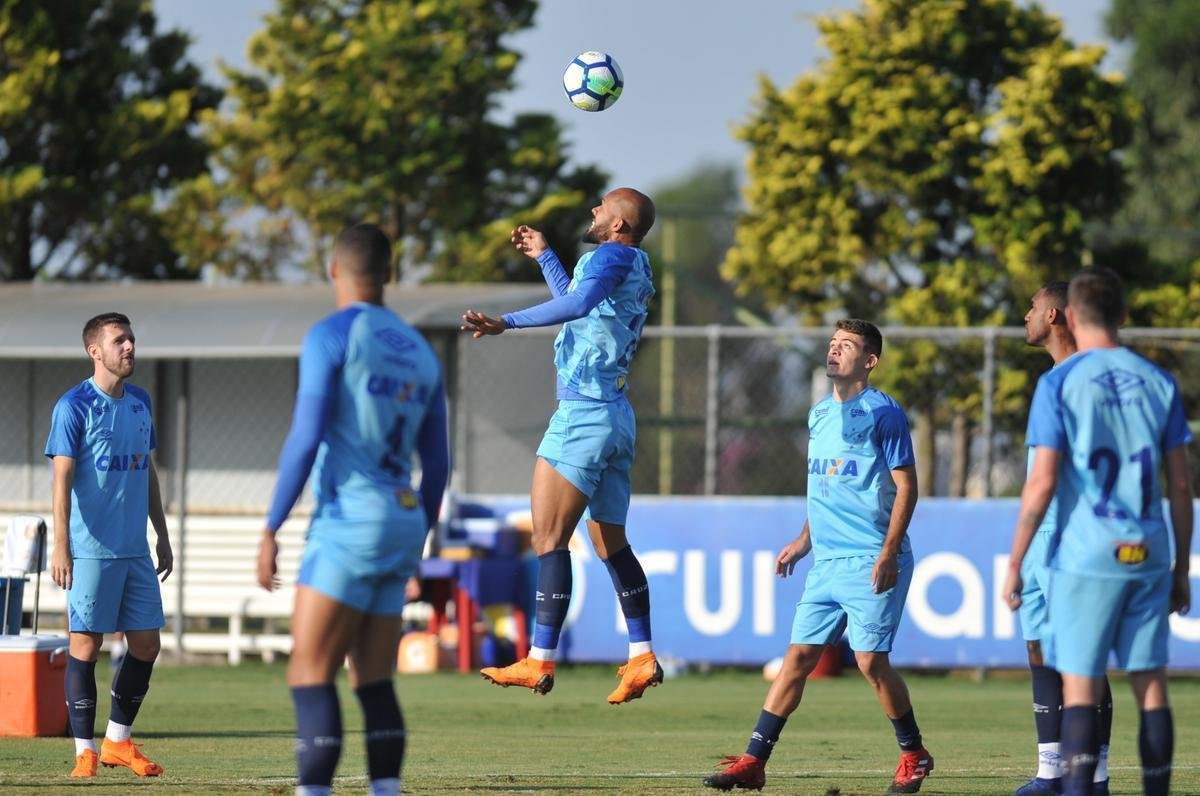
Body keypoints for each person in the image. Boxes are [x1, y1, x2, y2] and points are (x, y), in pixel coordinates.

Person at [257, 223, 450, 796]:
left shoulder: (331, 335)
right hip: (403, 518)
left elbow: (306, 434)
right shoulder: (422, 351)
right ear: (390, 275)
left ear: (333, 270)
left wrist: (271, 526)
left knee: (310, 672)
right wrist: (415, 544)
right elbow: (437, 468)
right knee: (374, 679)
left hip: (350, 518)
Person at [703, 320, 934, 795]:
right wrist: (803, 540)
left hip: (872, 557)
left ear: (868, 361)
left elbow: (908, 487)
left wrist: (889, 552)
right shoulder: (818, 415)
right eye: (832, 344)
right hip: (826, 562)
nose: (834, 351)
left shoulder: (883, 412)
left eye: (846, 346)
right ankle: (754, 760)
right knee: (797, 659)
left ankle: (913, 753)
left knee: (870, 663)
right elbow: (824, 487)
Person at [460, 187, 661, 704]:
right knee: (611, 545)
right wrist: (546, 256)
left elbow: (575, 302)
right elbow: (581, 306)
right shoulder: (632, 263)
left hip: (583, 414)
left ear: (619, 225)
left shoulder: (609, 254)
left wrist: (506, 322)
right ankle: (642, 655)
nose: (594, 210)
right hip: (616, 416)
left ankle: (539, 659)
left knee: (549, 539)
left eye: (603, 206)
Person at [1004, 267, 1193, 796]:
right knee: (1151, 686)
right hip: (1149, 548)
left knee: (1081, 684)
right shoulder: (1158, 381)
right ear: (1124, 315)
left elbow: (1041, 484)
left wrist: (1016, 560)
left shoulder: (1060, 382)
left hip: (1087, 553)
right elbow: (1180, 486)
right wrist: (1180, 565)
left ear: (1070, 315)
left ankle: (1078, 788)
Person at [46, 312, 174, 779]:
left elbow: (148, 471)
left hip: (135, 550)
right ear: (94, 351)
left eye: (132, 339)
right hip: (90, 550)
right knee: (86, 646)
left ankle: (118, 741)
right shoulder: (73, 406)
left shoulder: (140, 402)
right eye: (119, 340)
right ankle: (85, 752)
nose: (129, 347)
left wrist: (161, 533)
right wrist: (61, 545)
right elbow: (61, 481)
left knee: (146, 645)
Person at [1016, 283, 1113, 796]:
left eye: (1031, 308)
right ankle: (1050, 771)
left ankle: (1095, 778)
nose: (1024, 315)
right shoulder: (1048, 380)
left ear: (1052, 314)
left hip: (1076, 538)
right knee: (1039, 649)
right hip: (1040, 543)